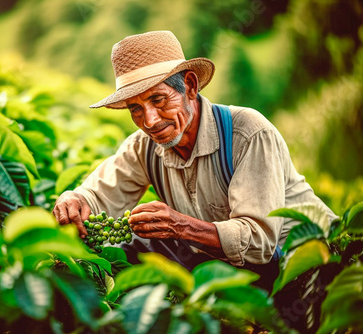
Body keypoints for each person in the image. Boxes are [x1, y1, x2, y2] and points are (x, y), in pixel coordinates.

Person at [52, 30, 336, 285]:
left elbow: (259, 244)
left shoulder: (247, 133)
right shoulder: (144, 147)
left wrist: (179, 225)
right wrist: (75, 201)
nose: (149, 120)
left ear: (189, 86)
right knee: (133, 246)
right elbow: (98, 195)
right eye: (135, 108)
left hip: (307, 264)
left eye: (158, 100)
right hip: (227, 267)